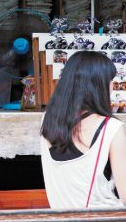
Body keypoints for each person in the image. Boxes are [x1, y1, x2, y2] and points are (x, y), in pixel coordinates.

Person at [41, 51, 126, 209]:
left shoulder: (48, 121)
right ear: (97, 86)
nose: (113, 89)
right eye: (110, 82)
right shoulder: (111, 129)